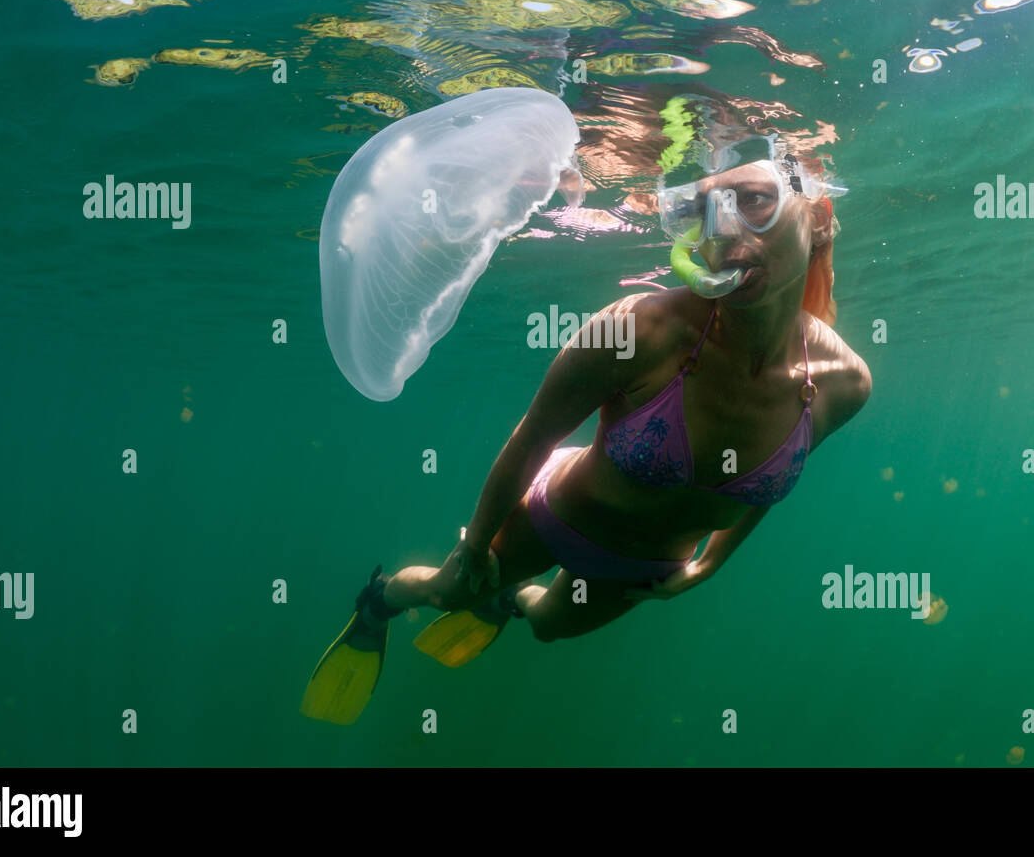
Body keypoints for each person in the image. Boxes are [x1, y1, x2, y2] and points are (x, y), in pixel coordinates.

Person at [301, 146, 872, 723]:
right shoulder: (636, 328)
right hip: (558, 514)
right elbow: (533, 438)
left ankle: (510, 599)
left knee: (549, 627)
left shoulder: (844, 384)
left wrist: (710, 566)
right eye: (703, 211)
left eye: (754, 201)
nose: (724, 231)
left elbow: (764, 490)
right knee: (451, 592)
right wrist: (475, 544)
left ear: (817, 217)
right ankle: (380, 603)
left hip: (651, 569)